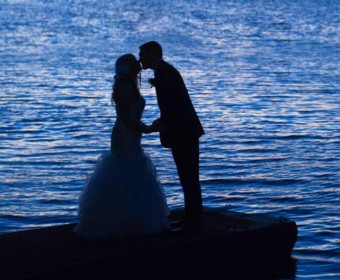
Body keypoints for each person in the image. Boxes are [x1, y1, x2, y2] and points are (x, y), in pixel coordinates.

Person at [73, 54, 170, 239]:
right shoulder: (126, 87)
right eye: (134, 63)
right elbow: (126, 119)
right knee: (125, 169)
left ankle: (131, 220)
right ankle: (118, 221)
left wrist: (144, 128)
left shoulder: (129, 85)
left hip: (131, 134)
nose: (138, 64)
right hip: (125, 135)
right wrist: (148, 129)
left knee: (131, 171)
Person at [139, 41, 205, 232]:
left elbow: (174, 108)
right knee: (188, 177)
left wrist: (161, 125)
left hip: (184, 133)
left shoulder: (164, 72)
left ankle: (193, 222)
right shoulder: (165, 71)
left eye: (143, 54)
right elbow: (172, 106)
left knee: (189, 177)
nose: (140, 58)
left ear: (152, 53)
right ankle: (191, 219)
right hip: (184, 132)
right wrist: (162, 123)